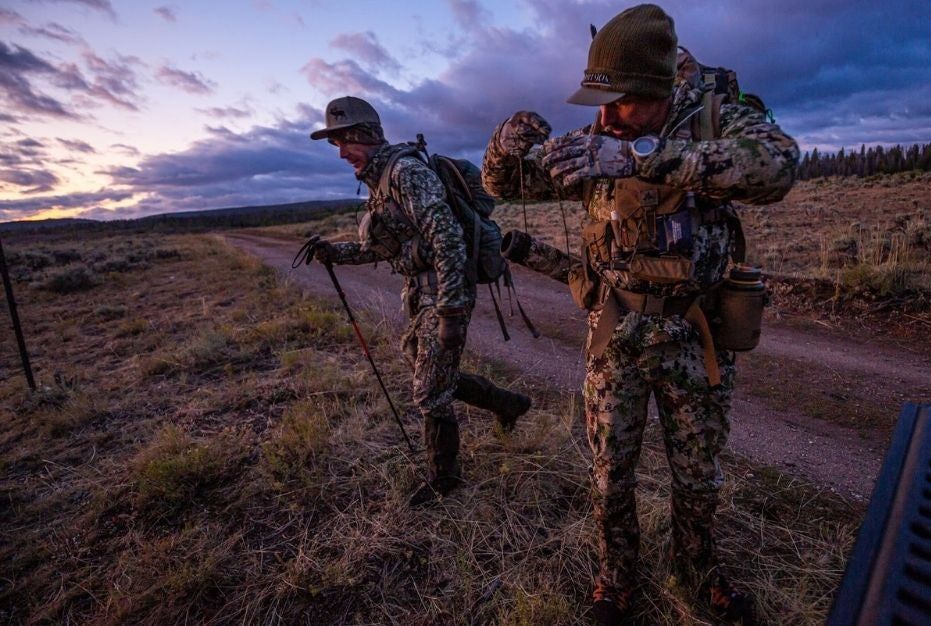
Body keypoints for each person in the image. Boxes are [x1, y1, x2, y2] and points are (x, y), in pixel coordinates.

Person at [481, 4, 799, 624]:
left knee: (698, 476)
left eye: (621, 102)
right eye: (598, 104)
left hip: (692, 334)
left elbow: (779, 165)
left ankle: (699, 572)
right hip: (615, 335)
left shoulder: (712, 120)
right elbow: (506, 185)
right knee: (610, 473)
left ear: (659, 91)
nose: (604, 120)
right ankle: (616, 579)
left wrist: (642, 160)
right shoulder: (596, 140)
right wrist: (504, 143)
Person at [308, 96, 532, 507]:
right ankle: (511, 404)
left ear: (368, 136)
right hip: (421, 292)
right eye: (335, 144)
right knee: (430, 370)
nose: (341, 153)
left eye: (345, 142)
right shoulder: (378, 180)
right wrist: (334, 252)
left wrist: (448, 311)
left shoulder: (406, 173)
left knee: (429, 389)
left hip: (444, 291)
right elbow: (388, 247)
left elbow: (447, 241)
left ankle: (444, 480)